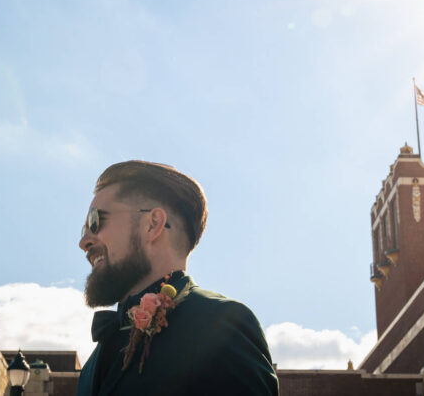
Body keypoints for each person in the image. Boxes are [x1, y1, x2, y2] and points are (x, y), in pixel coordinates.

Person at [76, 160, 279, 396]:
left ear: (152, 224)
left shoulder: (220, 327)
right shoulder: (91, 365)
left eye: (95, 221)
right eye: (84, 230)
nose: (84, 242)